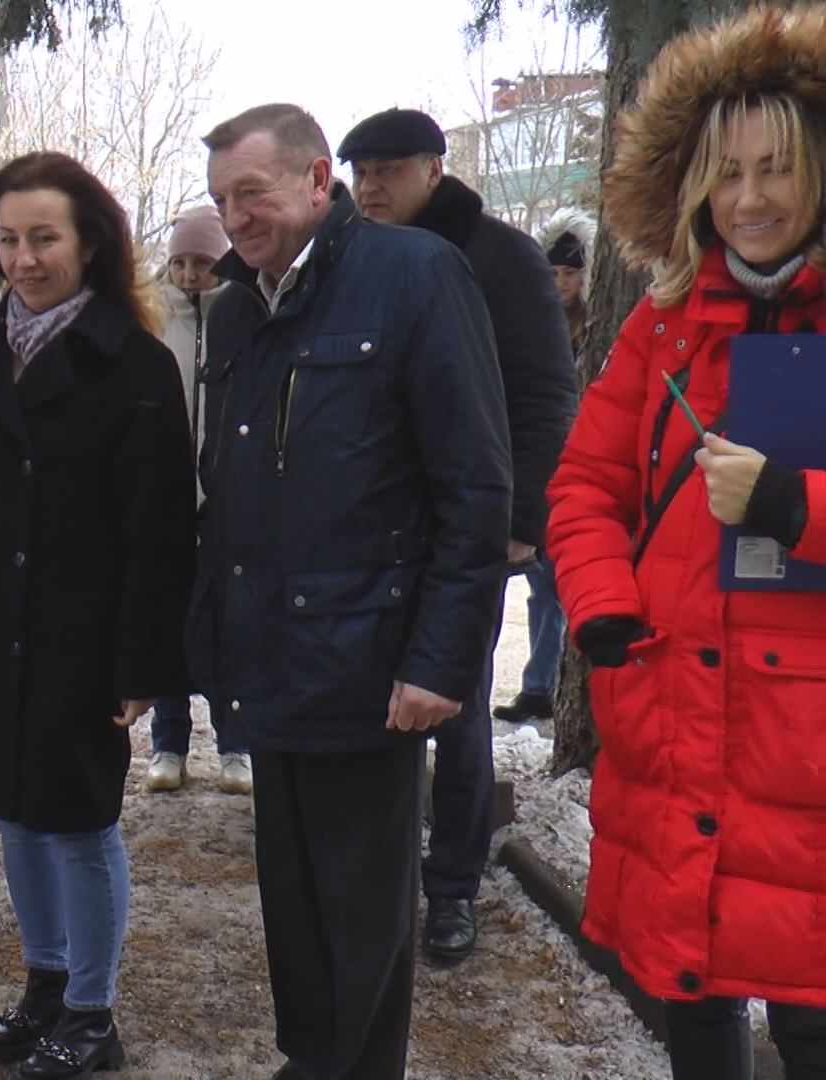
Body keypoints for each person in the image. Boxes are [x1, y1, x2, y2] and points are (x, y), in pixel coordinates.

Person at [191, 104, 510, 1080]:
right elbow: (231, 491)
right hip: (273, 659)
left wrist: (440, 659)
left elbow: (474, 484)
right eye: (220, 200)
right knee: (294, 905)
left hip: (372, 664)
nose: (235, 218)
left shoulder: (414, 276)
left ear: (316, 177)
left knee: (363, 912)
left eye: (252, 193)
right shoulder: (237, 309)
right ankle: (316, 1059)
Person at [546, 8, 826, 1077]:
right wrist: (601, 605)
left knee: (812, 1009)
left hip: (807, 745)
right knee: (689, 986)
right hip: (673, 721)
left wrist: (793, 505)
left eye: (775, 169)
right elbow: (586, 483)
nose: (749, 199)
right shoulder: (660, 325)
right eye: (727, 173)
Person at [0, 150, 193, 1079]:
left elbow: (159, 530)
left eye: (43, 238)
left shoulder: (135, 366)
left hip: (80, 637)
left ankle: (93, 1013)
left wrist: (143, 662)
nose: (22, 259)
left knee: (79, 823)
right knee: (15, 815)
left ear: (88, 242)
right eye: (7, 240)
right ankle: (46, 983)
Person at [337, 107, 578, 966]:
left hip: (465, 528)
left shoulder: (499, 255)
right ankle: (372, 876)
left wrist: (515, 526)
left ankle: (452, 886)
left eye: (389, 170)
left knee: (460, 708)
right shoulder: (350, 255)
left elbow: (545, 393)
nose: (371, 187)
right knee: (367, 704)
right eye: (360, 171)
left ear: (434, 169)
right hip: (367, 530)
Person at [146, 206, 252, 797]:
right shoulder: (154, 317)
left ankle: (236, 744)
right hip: (168, 493)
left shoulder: (242, 313)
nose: (189, 275)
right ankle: (169, 743)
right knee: (170, 621)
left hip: (226, 496)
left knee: (228, 624)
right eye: (180, 263)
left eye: (202, 263)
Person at [495, 208, 598, 729]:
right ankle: (537, 685)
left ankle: (550, 683)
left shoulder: (596, 327)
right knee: (539, 586)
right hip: (540, 467)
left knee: (561, 584)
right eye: (553, 272)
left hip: (581, 467)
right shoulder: (533, 323)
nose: (560, 283)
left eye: (570, 273)